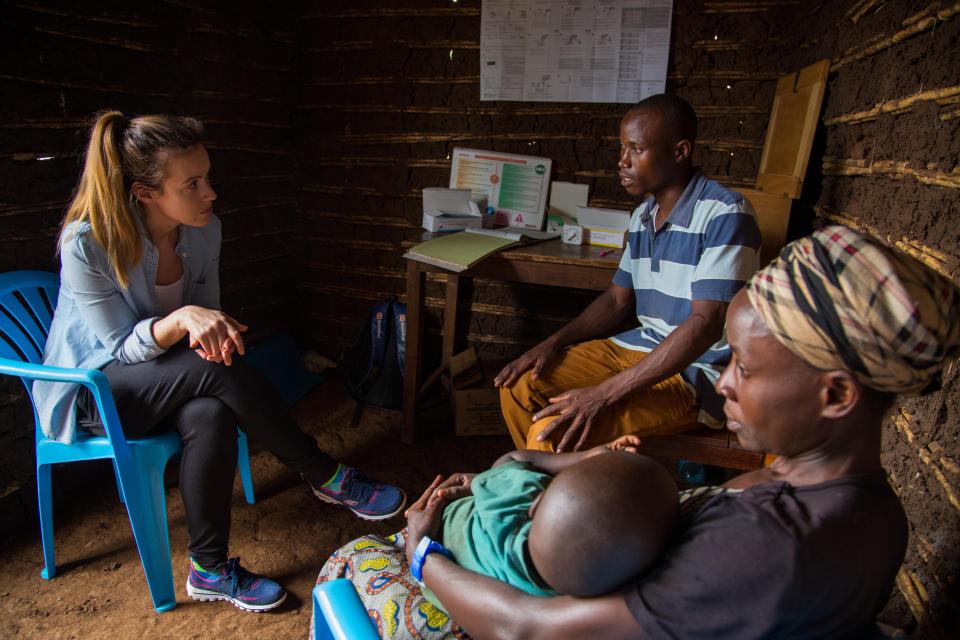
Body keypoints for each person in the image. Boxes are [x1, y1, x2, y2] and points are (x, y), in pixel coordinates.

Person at [334, 225, 960, 639]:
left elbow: (530, 628)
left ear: (836, 394)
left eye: (743, 365)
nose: (726, 384)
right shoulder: (872, 510)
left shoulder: (764, 549)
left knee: (351, 563)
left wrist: (422, 552)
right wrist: (538, 468)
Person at [37, 111, 407, 612]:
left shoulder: (205, 232)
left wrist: (205, 329)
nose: (210, 193)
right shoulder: (87, 243)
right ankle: (323, 473)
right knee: (214, 372)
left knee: (209, 412)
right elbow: (122, 348)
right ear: (145, 193)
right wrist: (184, 320)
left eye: (207, 177)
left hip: (176, 377)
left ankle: (209, 570)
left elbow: (207, 316)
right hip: (98, 394)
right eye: (192, 183)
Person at [496, 94, 761, 453]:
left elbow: (707, 322)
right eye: (622, 148)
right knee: (518, 386)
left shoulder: (725, 213)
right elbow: (616, 299)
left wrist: (605, 393)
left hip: (696, 373)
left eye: (635, 149)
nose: (622, 162)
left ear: (680, 151)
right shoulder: (643, 217)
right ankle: (550, 494)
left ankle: (561, 500)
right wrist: (551, 343)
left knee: (552, 430)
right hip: (640, 347)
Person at [316, 437, 677, 636]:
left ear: (536, 504)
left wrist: (584, 457)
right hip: (447, 575)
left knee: (351, 554)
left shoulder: (515, 497)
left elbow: (512, 457)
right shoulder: (563, 598)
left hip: (431, 537)